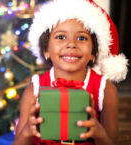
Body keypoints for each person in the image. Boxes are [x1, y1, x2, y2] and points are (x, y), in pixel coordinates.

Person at [13, 0, 128, 145]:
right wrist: (27, 131)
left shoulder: (105, 91)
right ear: (46, 49)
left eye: (82, 38)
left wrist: (99, 133)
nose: (71, 44)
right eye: (60, 37)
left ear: (94, 52)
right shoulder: (34, 90)